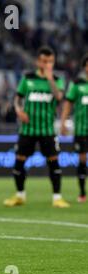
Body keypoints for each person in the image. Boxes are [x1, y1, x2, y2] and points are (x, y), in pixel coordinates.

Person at [3, 46, 69, 208]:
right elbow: (17, 99)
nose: (48, 64)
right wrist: (19, 111)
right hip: (28, 130)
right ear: (38, 61)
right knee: (19, 162)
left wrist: (50, 79)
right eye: (45, 61)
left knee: (53, 162)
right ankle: (20, 196)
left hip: (47, 130)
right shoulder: (28, 78)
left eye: (51, 62)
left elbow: (59, 97)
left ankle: (57, 197)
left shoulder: (57, 80)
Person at [60, 53, 88, 203]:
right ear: (85, 67)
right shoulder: (77, 83)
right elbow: (68, 104)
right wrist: (63, 122)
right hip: (81, 130)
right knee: (82, 159)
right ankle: (82, 192)